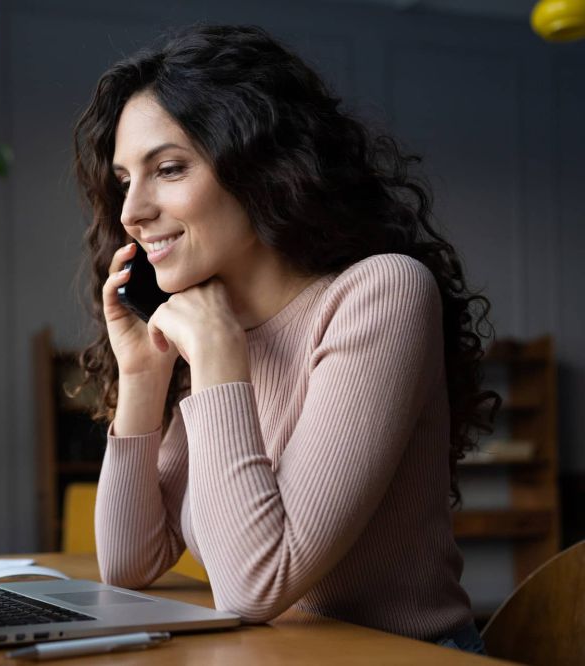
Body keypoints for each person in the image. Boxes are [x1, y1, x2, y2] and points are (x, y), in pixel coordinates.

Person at [72, 24, 497, 654]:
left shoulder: (380, 293)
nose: (132, 210)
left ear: (258, 166)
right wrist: (142, 376)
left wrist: (218, 360)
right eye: (125, 180)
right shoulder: (211, 317)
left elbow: (256, 584)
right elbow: (129, 564)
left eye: (167, 168)